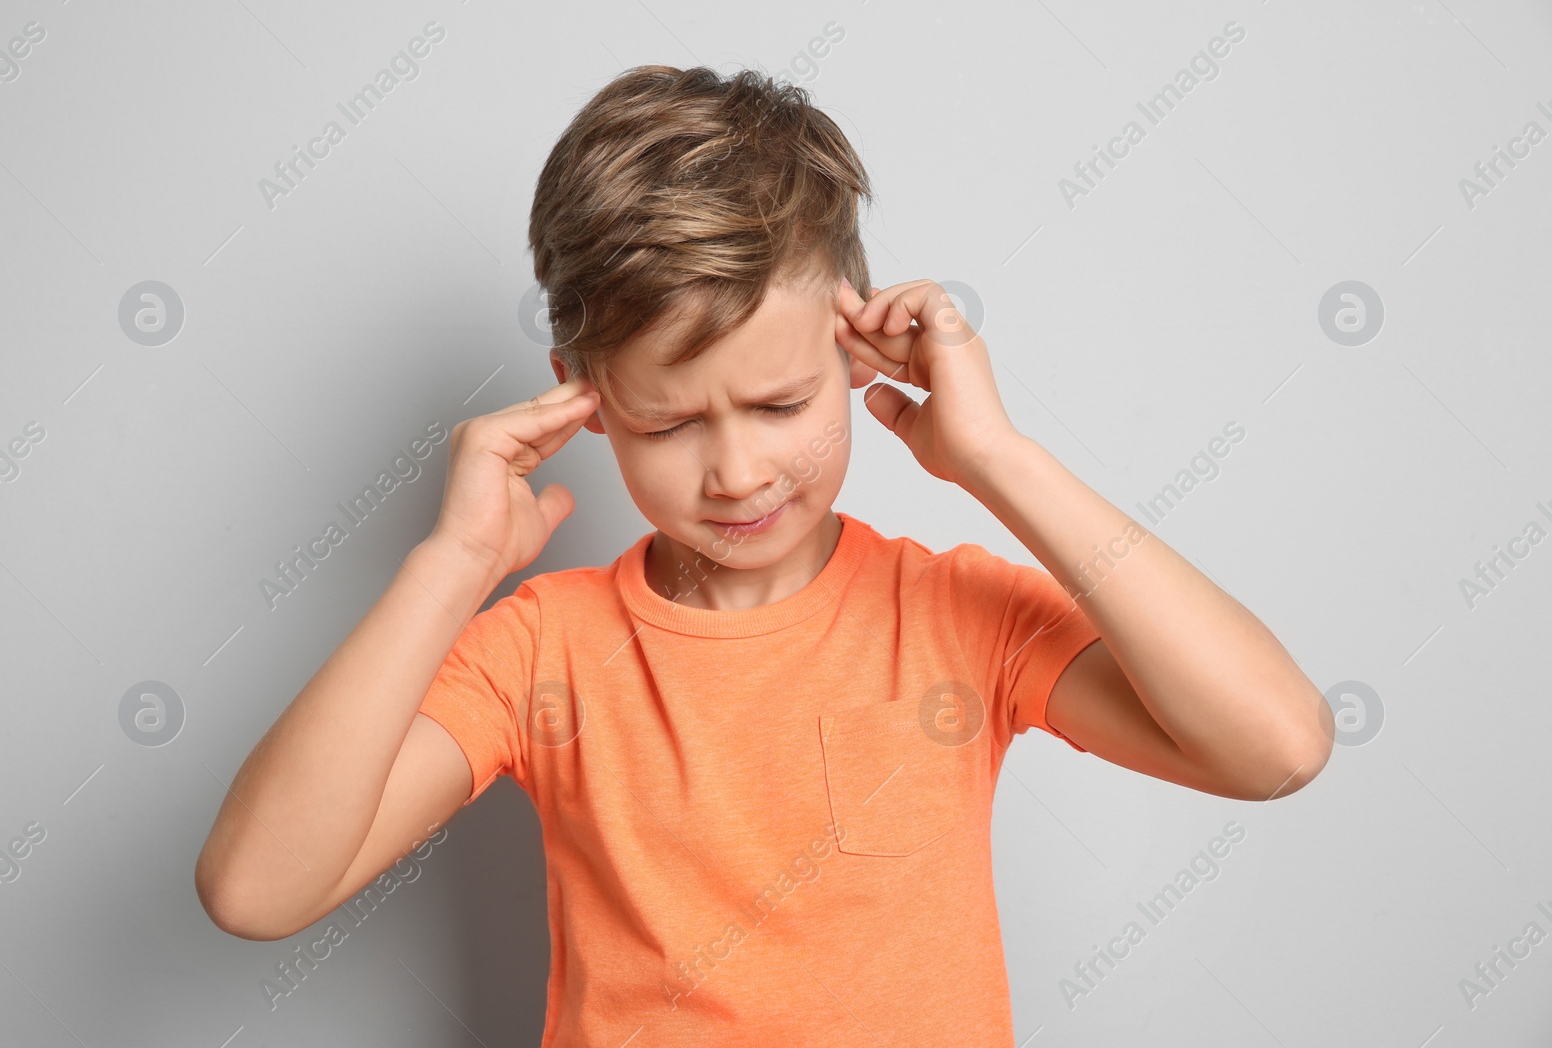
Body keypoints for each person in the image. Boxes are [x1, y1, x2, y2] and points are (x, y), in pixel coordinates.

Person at [195, 64, 1333, 1045]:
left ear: (852, 347)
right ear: (582, 399)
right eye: (669, 423)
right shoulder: (542, 650)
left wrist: (995, 458)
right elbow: (255, 890)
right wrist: (450, 564)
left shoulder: (954, 613)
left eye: (780, 402)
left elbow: (1274, 744)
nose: (736, 472)